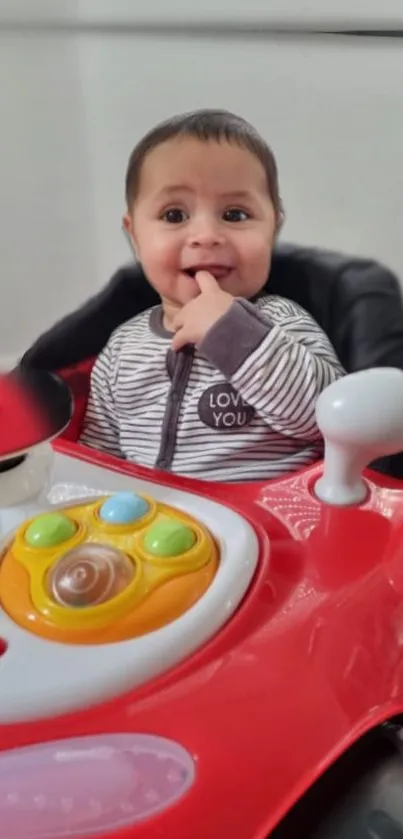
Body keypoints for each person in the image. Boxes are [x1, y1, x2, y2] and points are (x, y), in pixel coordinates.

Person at [80, 109, 344, 482]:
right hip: (153, 525)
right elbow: (98, 455)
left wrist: (236, 335)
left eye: (235, 215)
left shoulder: (283, 322)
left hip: (267, 527)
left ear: (273, 228)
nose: (206, 235)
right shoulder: (122, 348)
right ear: (135, 235)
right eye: (174, 215)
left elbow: (332, 421)